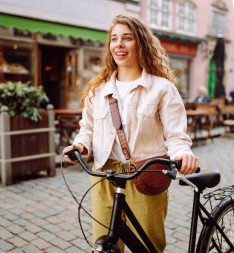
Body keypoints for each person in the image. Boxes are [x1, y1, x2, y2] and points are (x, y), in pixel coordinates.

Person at [63, 14, 199, 252]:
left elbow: (176, 135)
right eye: (114, 39)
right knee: (104, 243)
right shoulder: (99, 89)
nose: (119, 44)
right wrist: (80, 145)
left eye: (127, 38)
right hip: (104, 174)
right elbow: (88, 127)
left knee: (147, 246)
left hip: (145, 173)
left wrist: (181, 153)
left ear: (141, 43)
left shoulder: (161, 88)